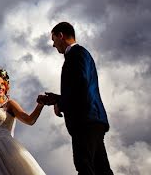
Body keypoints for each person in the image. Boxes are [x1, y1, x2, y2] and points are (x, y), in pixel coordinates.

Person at [38, 22, 114, 175]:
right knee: (101, 169)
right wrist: (56, 99)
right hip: (92, 119)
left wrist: (61, 103)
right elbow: (79, 86)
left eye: (53, 39)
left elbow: (81, 83)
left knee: (84, 165)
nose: (53, 45)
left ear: (61, 35)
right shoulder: (79, 54)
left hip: (85, 119)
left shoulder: (77, 54)